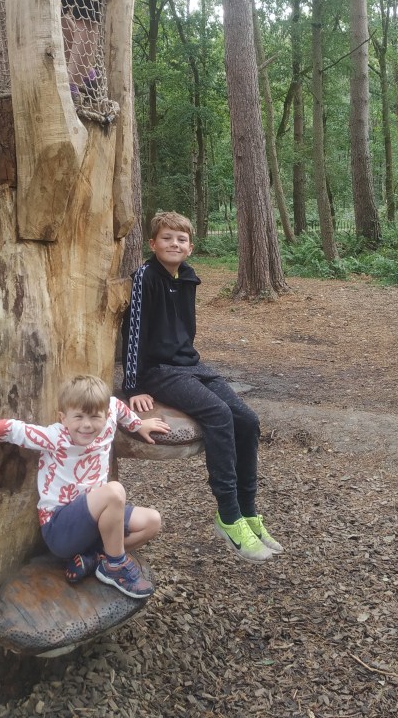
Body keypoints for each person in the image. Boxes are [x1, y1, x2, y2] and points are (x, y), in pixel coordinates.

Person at [121, 211, 283, 563]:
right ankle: (227, 515)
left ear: (190, 247)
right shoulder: (146, 276)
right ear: (153, 243)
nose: (174, 244)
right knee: (218, 414)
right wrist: (133, 385)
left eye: (181, 239)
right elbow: (133, 331)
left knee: (248, 419)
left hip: (190, 365)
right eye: (166, 238)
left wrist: (192, 364)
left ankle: (248, 511)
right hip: (158, 372)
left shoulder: (188, 278)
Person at [0, 374, 170, 598]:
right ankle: (115, 566)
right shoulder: (55, 438)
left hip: (96, 518)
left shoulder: (109, 416)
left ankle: (95, 559)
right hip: (60, 528)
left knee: (152, 522)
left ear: (104, 415)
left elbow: (118, 407)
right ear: (62, 418)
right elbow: (13, 429)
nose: (86, 425)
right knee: (114, 492)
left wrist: (139, 425)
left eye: (95, 417)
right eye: (78, 417)